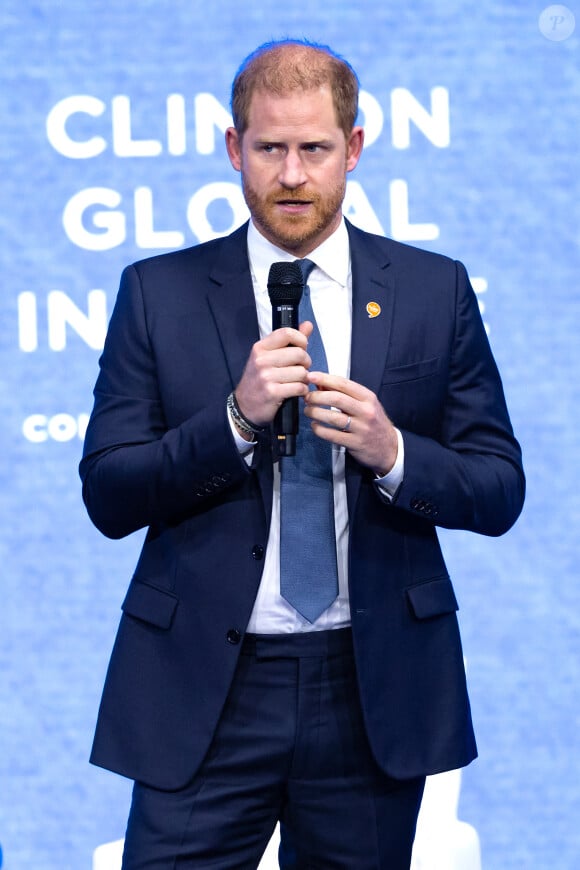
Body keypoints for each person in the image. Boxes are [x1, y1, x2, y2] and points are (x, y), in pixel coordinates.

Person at [80, 39, 525, 869]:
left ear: (353, 149)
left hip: (370, 683)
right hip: (206, 688)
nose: (291, 175)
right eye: (269, 148)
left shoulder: (434, 289)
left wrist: (394, 453)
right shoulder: (160, 293)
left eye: (314, 148)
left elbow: (499, 488)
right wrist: (235, 421)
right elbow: (108, 493)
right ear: (231, 149)